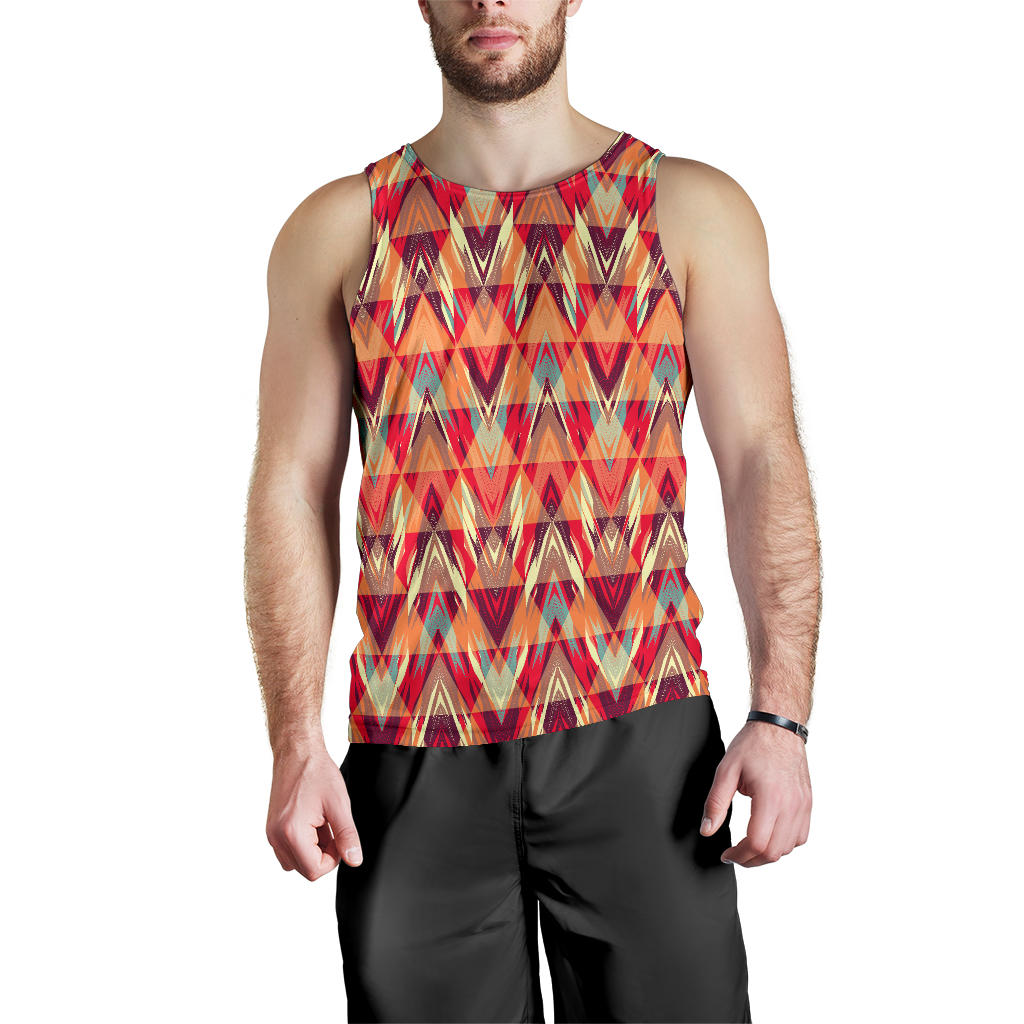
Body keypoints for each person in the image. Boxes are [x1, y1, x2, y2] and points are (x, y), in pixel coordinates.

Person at [243, 1, 820, 1021]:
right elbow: (291, 483)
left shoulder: (685, 209)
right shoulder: (340, 229)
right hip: (413, 750)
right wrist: (294, 738)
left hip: (643, 736)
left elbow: (760, 461)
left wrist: (780, 716)